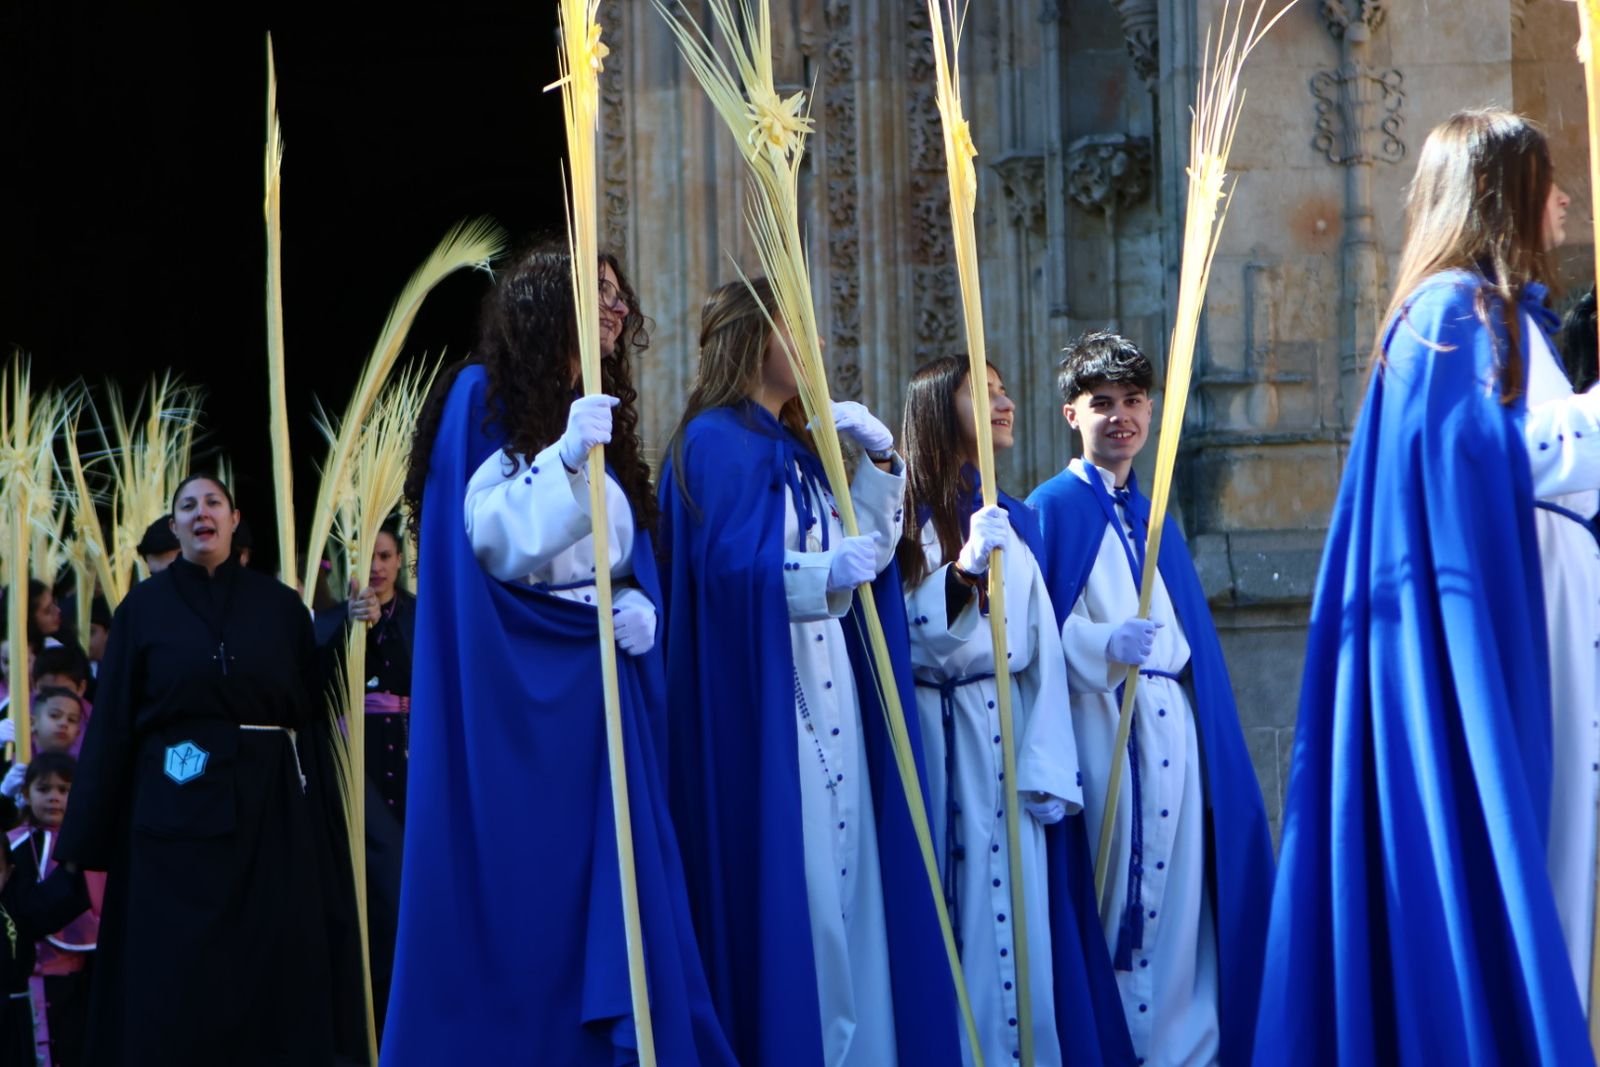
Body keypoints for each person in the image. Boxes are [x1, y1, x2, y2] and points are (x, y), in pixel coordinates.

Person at [1255, 110, 1594, 1064]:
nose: (1565, 198)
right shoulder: (1448, 315)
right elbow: (1471, 465)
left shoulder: (1515, 320)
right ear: (1503, 194)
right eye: (1548, 179)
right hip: (1504, 640)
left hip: (1555, 622)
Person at [385, 242, 734, 1066]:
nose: (617, 309)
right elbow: (486, 551)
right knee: (534, 899)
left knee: (614, 890)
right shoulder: (481, 397)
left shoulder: (596, 406)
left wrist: (641, 602)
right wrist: (568, 460)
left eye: (620, 296)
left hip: (604, 692)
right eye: (599, 293)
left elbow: (622, 552)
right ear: (548, 304)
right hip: (528, 702)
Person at [659, 278, 963, 1067]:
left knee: (857, 900)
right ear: (752, 339)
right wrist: (825, 570)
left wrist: (885, 459)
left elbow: (860, 537)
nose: (819, 346)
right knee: (811, 911)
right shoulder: (713, 442)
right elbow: (724, 571)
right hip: (775, 704)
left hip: (838, 708)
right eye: (799, 328)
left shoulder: (798, 447)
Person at [54, 473, 363, 1066]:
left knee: (270, 951)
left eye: (213, 503)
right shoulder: (141, 610)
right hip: (174, 815)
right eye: (188, 506)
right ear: (174, 527)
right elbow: (113, 722)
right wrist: (84, 840)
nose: (202, 513)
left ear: (234, 518)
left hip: (269, 810)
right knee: (179, 960)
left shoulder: (280, 606)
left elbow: (309, 701)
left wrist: (351, 630)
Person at [1027, 331, 1274, 1067]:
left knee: (1183, 917)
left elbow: (1189, 634)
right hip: (1103, 730)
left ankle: (1184, 1050)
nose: (1122, 417)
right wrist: (1102, 645)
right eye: (1102, 403)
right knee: (1116, 908)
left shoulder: (1156, 514)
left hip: (1175, 733)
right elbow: (1036, 637)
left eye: (1134, 401)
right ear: (1072, 414)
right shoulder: (1052, 508)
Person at [897, 355, 1133, 1067]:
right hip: (950, 733)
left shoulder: (1019, 514)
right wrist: (964, 571)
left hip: (1012, 735)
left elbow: (1043, 646)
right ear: (942, 406)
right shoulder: (907, 510)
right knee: (965, 912)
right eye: (984, 392)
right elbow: (908, 636)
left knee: (1026, 927)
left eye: (1004, 389)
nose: (1004, 403)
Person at [314, 521, 414, 1038]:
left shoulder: (422, 613)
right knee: (372, 888)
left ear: (400, 560)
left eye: (385, 555)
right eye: (367, 557)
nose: (376, 567)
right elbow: (314, 689)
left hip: (415, 760)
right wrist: (353, 631)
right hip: (358, 768)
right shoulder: (330, 620)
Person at [8, 753, 99, 1067]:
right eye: (44, 789)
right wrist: (70, 870)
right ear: (25, 794)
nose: (54, 797)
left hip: (84, 980)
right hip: (37, 978)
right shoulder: (15, 846)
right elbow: (26, 916)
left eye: (64, 790)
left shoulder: (93, 846)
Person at [0, 832, 90, 1067]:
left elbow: (46, 908)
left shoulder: (15, 907)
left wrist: (70, 866)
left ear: (8, 873)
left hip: (12, 1020)